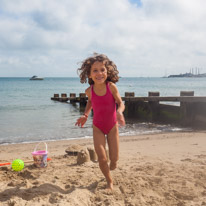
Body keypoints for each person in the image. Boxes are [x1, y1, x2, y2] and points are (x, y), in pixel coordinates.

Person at [75, 53, 125, 190]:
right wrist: (85, 115)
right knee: (102, 158)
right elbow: (91, 101)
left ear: (107, 71)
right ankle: (109, 181)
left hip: (112, 126)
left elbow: (121, 103)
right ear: (89, 74)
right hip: (97, 127)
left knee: (114, 159)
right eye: (95, 70)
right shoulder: (89, 91)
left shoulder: (111, 87)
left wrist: (120, 112)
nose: (99, 73)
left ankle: (113, 163)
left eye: (102, 70)